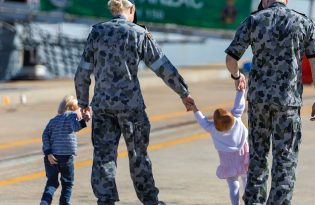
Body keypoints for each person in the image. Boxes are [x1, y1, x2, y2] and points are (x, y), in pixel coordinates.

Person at [74, 0, 194, 204]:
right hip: (131, 107)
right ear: (131, 10)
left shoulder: (96, 32)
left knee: (103, 155)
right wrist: (183, 92)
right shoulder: (138, 33)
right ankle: (149, 201)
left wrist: (83, 102)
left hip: (102, 106)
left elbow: (82, 72)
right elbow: (162, 66)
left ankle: (105, 200)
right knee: (138, 154)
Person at [224, 0, 315, 204]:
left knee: (258, 158)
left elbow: (231, 59)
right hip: (288, 102)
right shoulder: (303, 22)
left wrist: (237, 77)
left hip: (259, 101)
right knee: (285, 161)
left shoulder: (253, 21)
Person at [190, 88, 249, 205]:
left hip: (228, 160)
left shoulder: (213, 129)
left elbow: (202, 121)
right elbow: (239, 105)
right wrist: (241, 91)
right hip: (242, 156)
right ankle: (250, 200)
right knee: (246, 179)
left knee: (233, 185)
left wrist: (195, 109)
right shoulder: (236, 120)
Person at [40, 95, 88, 205]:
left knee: (52, 182)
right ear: (72, 108)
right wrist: (83, 118)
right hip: (66, 157)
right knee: (67, 183)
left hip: (51, 158)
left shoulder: (52, 121)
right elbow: (76, 127)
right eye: (78, 109)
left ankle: (44, 202)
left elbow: (45, 136)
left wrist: (48, 153)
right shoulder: (72, 116)